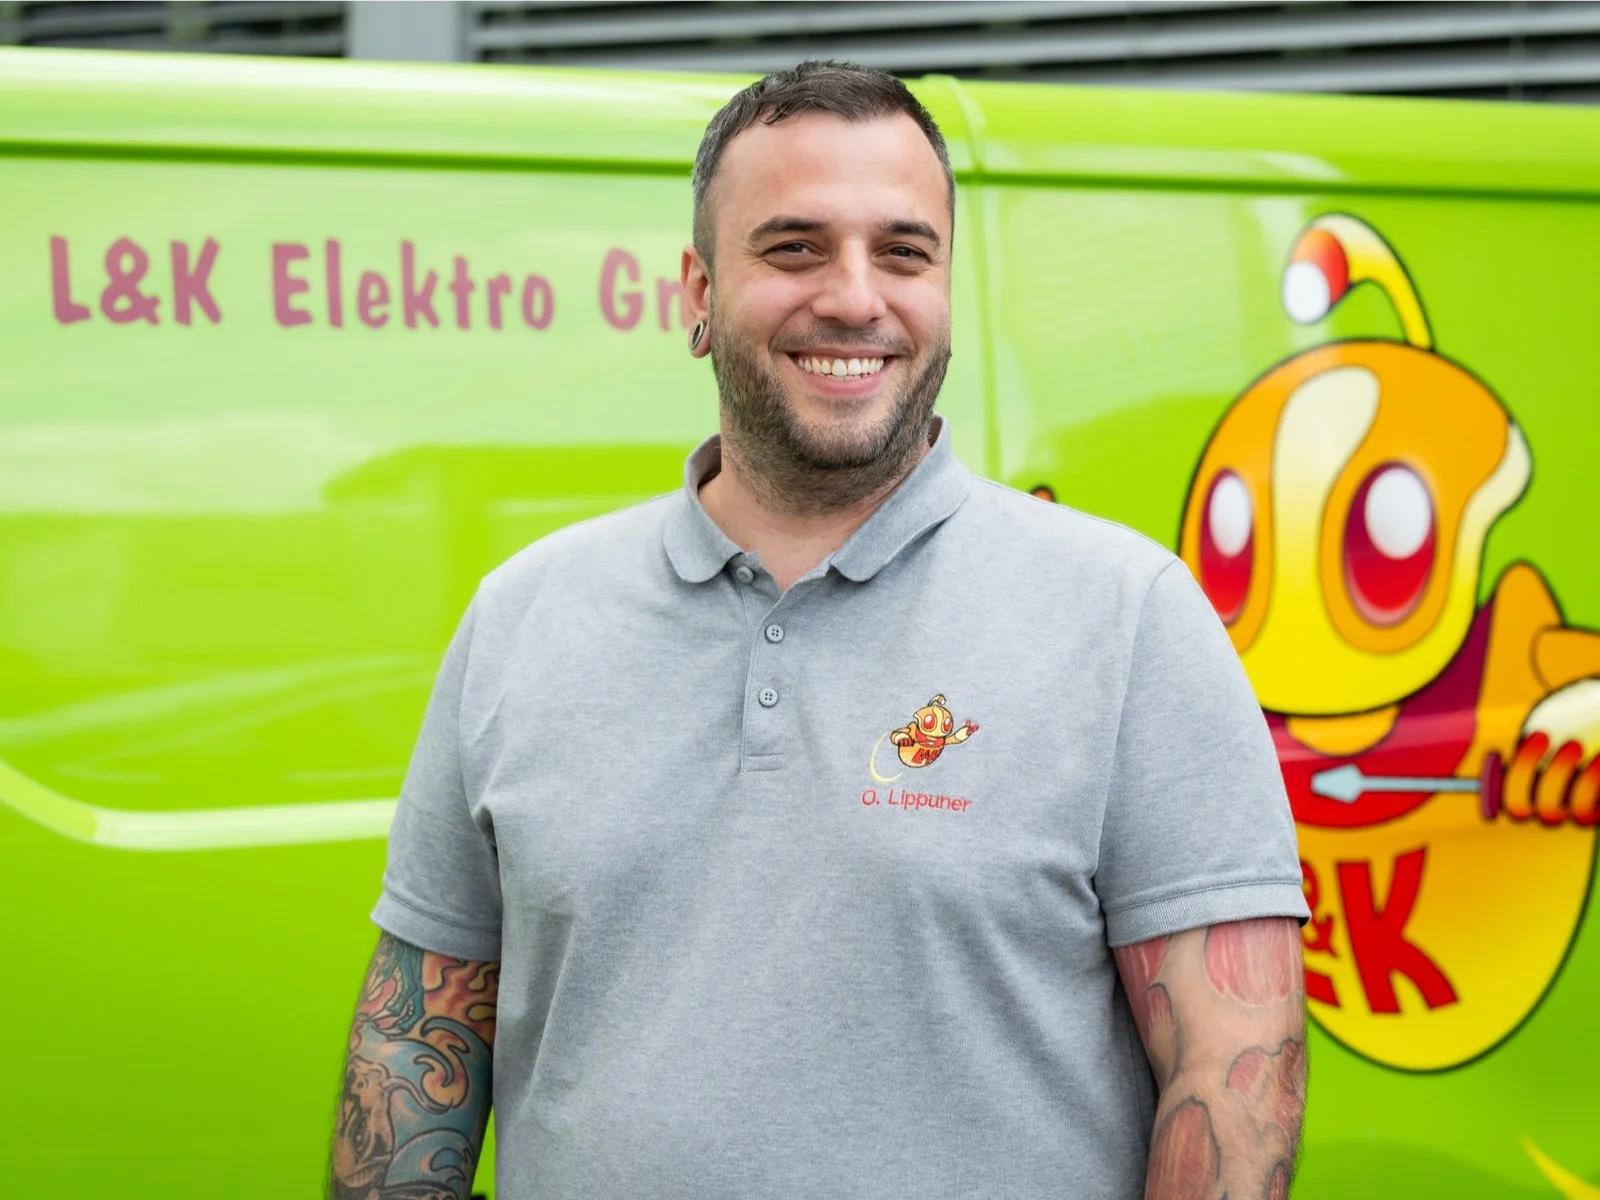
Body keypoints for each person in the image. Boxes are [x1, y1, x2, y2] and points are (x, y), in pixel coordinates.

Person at [329, 60, 1309, 1200]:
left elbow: (1235, 1075)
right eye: (794, 248)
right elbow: (413, 1047)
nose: (855, 297)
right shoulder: (523, 615)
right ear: (695, 293)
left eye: (903, 253)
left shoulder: (1125, 615)